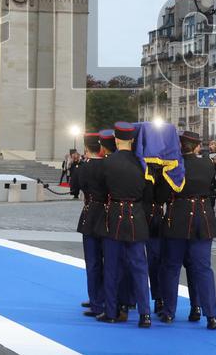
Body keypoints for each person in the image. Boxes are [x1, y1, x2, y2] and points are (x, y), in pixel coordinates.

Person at [158, 130, 216, 330]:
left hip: (178, 218)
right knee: (202, 268)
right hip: (202, 218)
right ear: (197, 146)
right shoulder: (207, 165)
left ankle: (169, 312)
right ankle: (209, 315)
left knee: (172, 267)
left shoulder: (173, 167)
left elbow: (163, 194)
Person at [97, 122, 152, 328]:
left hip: (114, 216)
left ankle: (111, 311)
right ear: (131, 140)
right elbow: (148, 194)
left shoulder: (108, 163)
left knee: (112, 266)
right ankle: (144, 314)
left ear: (116, 139)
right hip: (136, 216)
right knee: (139, 267)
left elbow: (102, 192)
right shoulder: (142, 163)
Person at [71, 132, 107, 318]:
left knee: (92, 261)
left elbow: (74, 189)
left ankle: (96, 301)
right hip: (108, 213)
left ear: (86, 149)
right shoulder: (108, 166)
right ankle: (107, 298)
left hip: (90, 213)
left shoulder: (81, 168)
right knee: (108, 260)